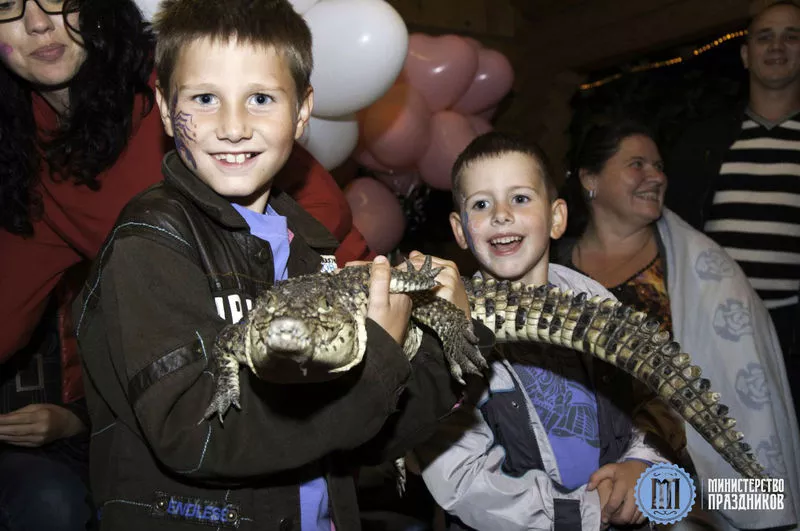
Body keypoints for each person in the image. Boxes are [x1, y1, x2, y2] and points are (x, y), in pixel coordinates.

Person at [72, 0, 493, 529]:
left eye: (261, 99)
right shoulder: (151, 242)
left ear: (301, 111)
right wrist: (380, 358)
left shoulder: (311, 254)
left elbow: (365, 432)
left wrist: (455, 341)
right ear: (163, 105)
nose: (232, 127)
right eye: (205, 98)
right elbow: (196, 435)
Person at [0, 1, 372, 528]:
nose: (37, 23)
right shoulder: (28, 161)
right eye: (5, 6)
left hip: (293, 368)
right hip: (190, 453)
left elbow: (322, 231)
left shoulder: (199, 105)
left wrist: (390, 351)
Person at [414, 131, 676, 531]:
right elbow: (462, 477)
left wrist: (644, 467)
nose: (501, 214)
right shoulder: (447, 331)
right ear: (461, 230)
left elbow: (653, 404)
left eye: (520, 198)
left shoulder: (596, 303)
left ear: (556, 218)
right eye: (481, 204)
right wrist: (585, 513)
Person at [558, 121, 800, 530]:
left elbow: (752, 415)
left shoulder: (709, 273)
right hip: (579, 481)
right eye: (637, 164)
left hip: (691, 488)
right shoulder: (553, 273)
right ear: (590, 179)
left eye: (659, 165)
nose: (657, 176)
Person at [665, 0, 800, 415]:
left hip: (793, 333)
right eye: (765, 37)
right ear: (746, 55)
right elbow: (673, 230)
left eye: (792, 36)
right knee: (732, 452)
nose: (777, 46)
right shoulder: (702, 141)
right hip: (720, 330)